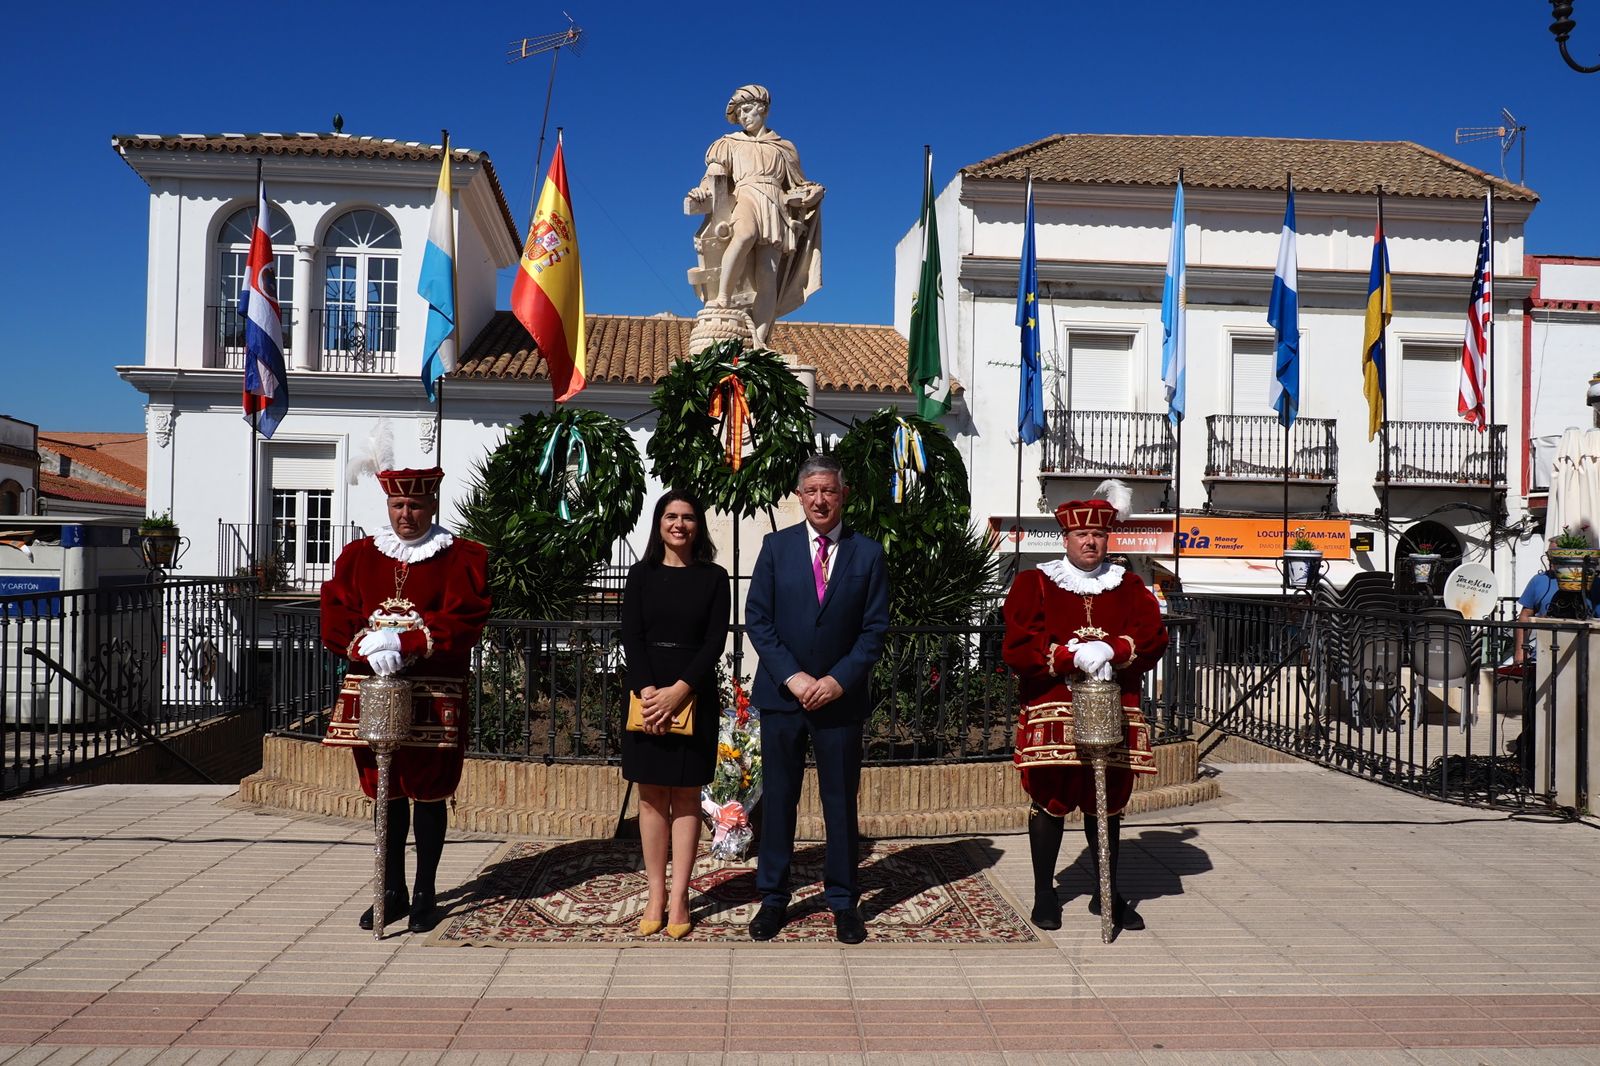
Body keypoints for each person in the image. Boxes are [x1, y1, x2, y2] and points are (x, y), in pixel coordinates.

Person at [320, 466, 490, 933]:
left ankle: (425, 892)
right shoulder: (358, 556)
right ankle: (390, 888)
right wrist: (365, 645)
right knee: (386, 792)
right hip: (372, 692)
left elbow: (466, 618)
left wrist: (409, 643)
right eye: (398, 505)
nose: (406, 514)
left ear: (432, 505)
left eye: (415, 505)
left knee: (429, 793)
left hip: (434, 696)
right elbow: (335, 611)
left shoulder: (461, 558)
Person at [1002, 485, 1168, 934]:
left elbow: (1152, 636)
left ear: (1108, 538)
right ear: (1066, 539)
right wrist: (1065, 656)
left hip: (1115, 706)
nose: (1090, 542)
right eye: (1082, 536)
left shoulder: (1129, 585)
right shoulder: (1035, 582)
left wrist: (1113, 649)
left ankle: (1107, 892)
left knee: (1108, 801)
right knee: (1050, 798)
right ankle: (1044, 892)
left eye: (1098, 534)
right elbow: (1017, 644)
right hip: (1053, 705)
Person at [744, 455, 889, 943]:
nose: (821, 499)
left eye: (829, 490)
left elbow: (873, 631)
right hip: (784, 699)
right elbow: (758, 621)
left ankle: (844, 901)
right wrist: (795, 678)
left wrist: (836, 681)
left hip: (840, 702)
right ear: (800, 496)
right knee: (779, 800)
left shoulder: (867, 554)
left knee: (839, 802)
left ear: (843, 494)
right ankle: (773, 898)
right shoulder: (775, 548)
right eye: (812, 491)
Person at [619, 490, 731, 939]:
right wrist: (651, 692)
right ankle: (655, 895)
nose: (679, 524)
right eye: (671, 516)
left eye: (687, 517)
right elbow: (632, 635)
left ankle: (681, 896)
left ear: (697, 525)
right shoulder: (640, 575)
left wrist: (679, 692)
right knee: (650, 797)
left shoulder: (714, 577)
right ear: (659, 523)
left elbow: (714, 642)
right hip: (645, 695)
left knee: (686, 796)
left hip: (693, 692)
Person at [686, 84, 823, 348]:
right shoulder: (728, 144)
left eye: (747, 110)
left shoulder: (783, 148)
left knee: (767, 273)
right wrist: (701, 192)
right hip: (746, 195)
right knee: (744, 234)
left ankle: (760, 339)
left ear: (763, 108)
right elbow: (714, 175)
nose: (744, 117)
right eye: (739, 114)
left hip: (775, 205)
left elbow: (798, 184)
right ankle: (723, 298)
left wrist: (813, 192)